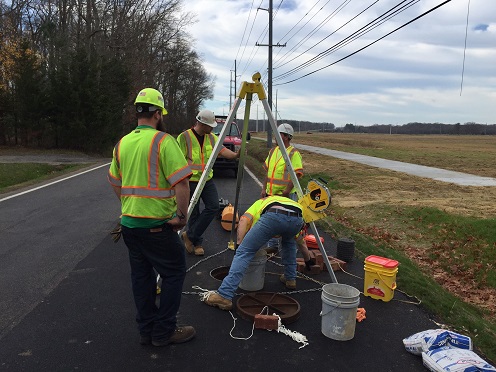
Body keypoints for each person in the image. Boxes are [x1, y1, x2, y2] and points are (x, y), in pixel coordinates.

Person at [108, 87, 195, 347]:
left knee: (141, 277)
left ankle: (147, 330)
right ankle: (164, 331)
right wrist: (182, 216)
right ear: (157, 114)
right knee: (175, 271)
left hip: (130, 225)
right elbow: (182, 182)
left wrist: (128, 203)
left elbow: (114, 180)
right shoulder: (163, 141)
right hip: (156, 226)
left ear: (137, 112)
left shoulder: (122, 143)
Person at [202, 195, 304, 310]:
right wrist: (308, 259)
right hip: (298, 218)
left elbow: (243, 220)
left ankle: (224, 295)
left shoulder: (259, 203)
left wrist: (240, 244)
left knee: (244, 252)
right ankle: (290, 279)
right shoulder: (287, 202)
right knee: (289, 244)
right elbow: (301, 242)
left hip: (273, 216)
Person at [176, 109, 240, 256]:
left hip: (207, 179)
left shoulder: (211, 138)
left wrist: (236, 155)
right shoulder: (184, 137)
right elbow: (177, 160)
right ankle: (196, 243)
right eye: (210, 125)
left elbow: (223, 151)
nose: (212, 128)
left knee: (213, 206)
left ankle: (190, 236)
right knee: (194, 212)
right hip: (190, 180)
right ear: (202, 123)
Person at [261, 123, 315, 269]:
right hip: (271, 194)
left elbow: (297, 174)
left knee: (290, 231)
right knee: (269, 220)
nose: (274, 137)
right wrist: (263, 188)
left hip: (287, 196)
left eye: (277, 134)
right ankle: (272, 246)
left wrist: (286, 191)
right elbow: (267, 172)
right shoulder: (273, 151)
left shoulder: (293, 153)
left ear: (285, 136)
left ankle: (297, 260)